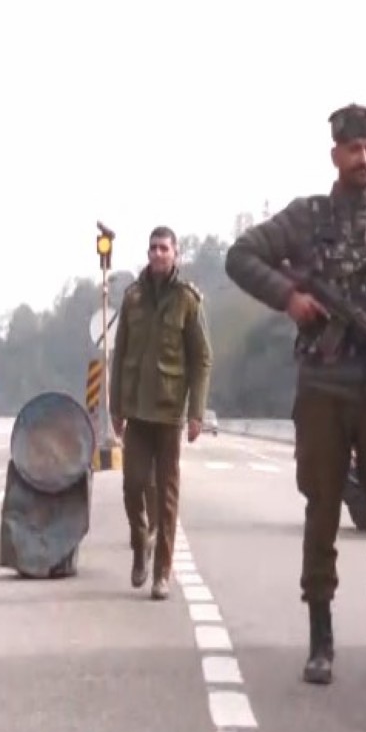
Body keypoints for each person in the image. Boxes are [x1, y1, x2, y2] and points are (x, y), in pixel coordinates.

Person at [223, 103, 366, 691]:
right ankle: (321, 642)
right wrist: (289, 298)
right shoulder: (306, 219)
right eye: (354, 149)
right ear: (335, 153)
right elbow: (241, 257)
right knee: (322, 513)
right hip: (323, 391)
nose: (363, 159)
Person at [108, 225, 213, 600]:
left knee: (167, 496)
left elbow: (201, 359)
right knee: (133, 485)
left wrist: (196, 412)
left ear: (175, 255)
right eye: (152, 248)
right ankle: (141, 545)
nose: (156, 254)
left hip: (169, 414)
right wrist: (114, 407)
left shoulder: (187, 300)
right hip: (136, 411)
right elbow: (118, 356)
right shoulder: (133, 298)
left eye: (163, 248)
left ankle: (162, 574)